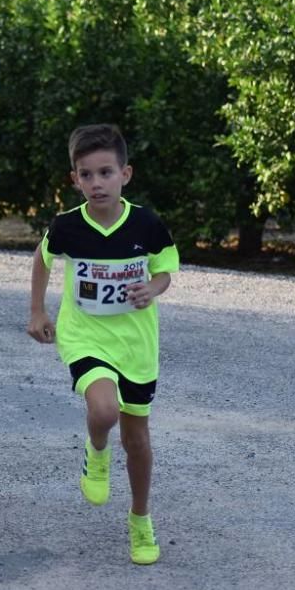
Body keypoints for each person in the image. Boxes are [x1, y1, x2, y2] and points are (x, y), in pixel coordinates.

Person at [27, 124, 179, 565]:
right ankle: (96, 450)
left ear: (125, 174)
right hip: (85, 336)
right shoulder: (67, 226)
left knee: (138, 439)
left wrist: (153, 287)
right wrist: (37, 311)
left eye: (105, 173)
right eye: (87, 175)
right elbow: (42, 257)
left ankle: (140, 519)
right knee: (104, 410)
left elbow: (166, 269)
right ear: (75, 180)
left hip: (136, 344)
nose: (97, 183)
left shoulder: (147, 224)